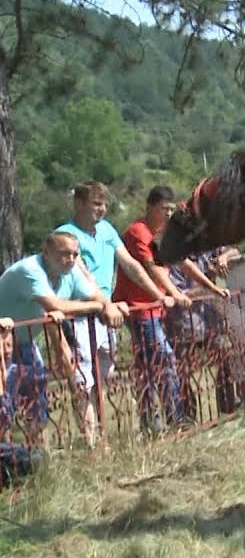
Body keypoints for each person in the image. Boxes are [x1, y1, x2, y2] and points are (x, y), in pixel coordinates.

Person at [55, 181, 174, 443]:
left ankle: (104, 434)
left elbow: (130, 264)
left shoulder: (107, 230)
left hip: (104, 315)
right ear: (79, 204)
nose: (102, 209)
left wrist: (159, 296)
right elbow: (82, 275)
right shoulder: (66, 235)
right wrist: (106, 304)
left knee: (104, 377)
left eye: (104, 204)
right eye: (96, 204)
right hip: (79, 315)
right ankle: (93, 442)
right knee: (83, 381)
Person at [0, 232, 120, 447]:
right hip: (3, 340)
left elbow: (96, 294)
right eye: (64, 254)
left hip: (25, 341)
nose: (71, 259)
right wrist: (96, 307)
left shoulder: (70, 272)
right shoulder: (31, 270)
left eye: (75, 254)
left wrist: (107, 305)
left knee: (37, 400)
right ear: (46, 252)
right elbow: (56, 306)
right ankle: (6, 460)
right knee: (3, 405)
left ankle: (32, 457)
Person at [115, 186, 200, 431]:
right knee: (164, 360)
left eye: (171, 209)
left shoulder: (160, 232)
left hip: (154, 310)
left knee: (147, 367)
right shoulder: (137, 232)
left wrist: (211, 287)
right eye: (164, 208)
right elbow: (151, 268)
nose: (168, 214)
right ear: (150, 206)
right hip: (141, 310)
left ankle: (150, 420)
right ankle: (174, 417)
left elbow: (183, 262)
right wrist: (173, 293)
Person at [166, 242, 242, 417]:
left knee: (225, 358)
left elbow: (235, 249)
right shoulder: (175, 259)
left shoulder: (207, 247)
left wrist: (224, 257)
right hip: (184, 323)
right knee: (183, 371)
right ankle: (187, 415)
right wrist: (208, 281)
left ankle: (228, 405)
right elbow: (178, 294)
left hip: (210, 319)